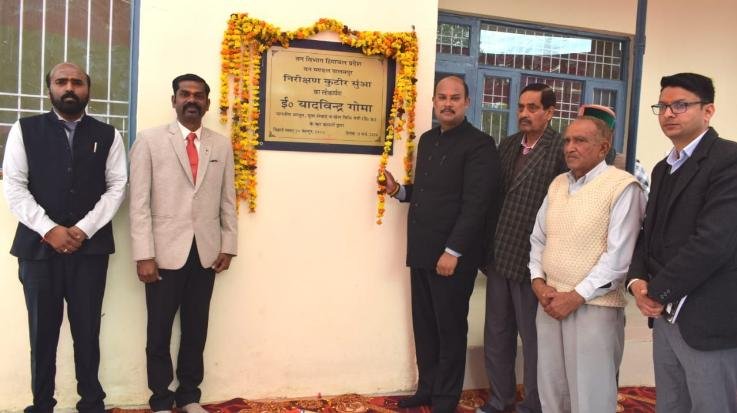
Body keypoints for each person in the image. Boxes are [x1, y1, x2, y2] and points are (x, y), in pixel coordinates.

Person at [2, 62, 127, 413]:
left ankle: (91, 402)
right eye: (61, 81)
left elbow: (117, 186)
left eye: (77, 82)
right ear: (50, 89)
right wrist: (49, 229)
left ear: (88, 89)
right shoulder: (24, 130)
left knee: (87, 332)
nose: (69, 87)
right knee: (42, 333)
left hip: (90, 251)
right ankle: (42, 404)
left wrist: (84, 229)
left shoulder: (108, 135)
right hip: (38, 250)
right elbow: (14, 185)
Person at [383, 75, 502, 413]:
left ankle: (446, 399)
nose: (447, 103)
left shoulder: (480, 145)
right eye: (442, 97)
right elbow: (427, 191)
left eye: (455, 97)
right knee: (424, 325)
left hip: (452, 257)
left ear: (467, 102)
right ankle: (428, 388)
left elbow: (476, 204)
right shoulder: (428, 139)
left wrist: (453, 251)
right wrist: (399, 192)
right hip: (421, 250)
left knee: (449, 328)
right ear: (434, 102)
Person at [626, 72, 737, 412]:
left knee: (711, 404)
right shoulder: (662, 168)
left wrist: (658, 292)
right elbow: (648, 232)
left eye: (681, 105)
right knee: (671, 403)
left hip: (706, 316)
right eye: (663, 106)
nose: (669, 113)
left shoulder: (727, 160)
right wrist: (637, 282)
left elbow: (714, 242)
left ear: (708, 111)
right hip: (663, 314)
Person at [129, 73, 238, 413]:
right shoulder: (148, 140)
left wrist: (229, 243)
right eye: (184, 94)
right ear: (173, 100)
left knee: (196, 327)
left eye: (198, 95)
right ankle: (161, 400)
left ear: (207, 102)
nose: (191, 100)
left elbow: (227, 199)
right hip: (163, 253)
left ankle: (190, 396)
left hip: (205, 252)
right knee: (158, 330)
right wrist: (144, 254)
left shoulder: (220, 144)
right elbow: (138, 203)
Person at [529, 116, 646, 413]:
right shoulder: (557, 184)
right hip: (550, 302)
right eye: (567, 140)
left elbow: (619, 258)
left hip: (595, 307)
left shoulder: (622, 187)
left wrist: (576, 296)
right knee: (552, 387)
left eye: (580, 141)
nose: (570, 147)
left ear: (603, 147)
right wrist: (538, 282)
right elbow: (538, 239)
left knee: (590, 393)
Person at [480, 83, 565, 413]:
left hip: (535, 264)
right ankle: (499, 400)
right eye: (521, 107)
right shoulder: (509, 145)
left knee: (534, 341)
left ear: (549, 112)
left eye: (532, 108)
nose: (524, 114)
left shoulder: (560, 148)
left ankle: (534, 404)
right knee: (497, 334)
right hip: (500, 255)